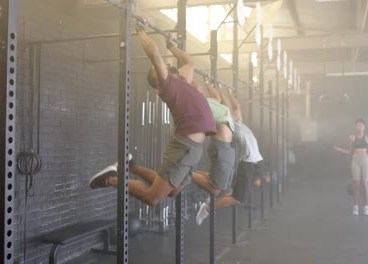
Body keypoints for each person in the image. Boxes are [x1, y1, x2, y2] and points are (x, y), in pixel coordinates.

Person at [89, 19, 216, 206]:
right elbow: (154, 53)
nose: (165, 64)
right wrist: (141, 30)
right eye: (161, 67)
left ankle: (131, 167)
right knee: (152, 197)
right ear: (158, 79)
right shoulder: (167, 87)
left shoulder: (182, 81)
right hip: (185, 146)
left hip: (194, 149)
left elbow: (189, 62)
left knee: (173, 192)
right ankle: (109, 179)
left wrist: (172, 46)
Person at [196, 88, 263, 225]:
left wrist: (230, 93)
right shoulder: (231, 123)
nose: (237, 113)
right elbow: (226, 106)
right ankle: (207, 209)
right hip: (248, 163)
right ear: (231, 116)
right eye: (234, 113)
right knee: (238, 198)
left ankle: (211, 202)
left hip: (255, 162)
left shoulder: (239, 123)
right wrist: (221, 91)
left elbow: (236, 106)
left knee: (237, 195)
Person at [190, 79, 236, 218]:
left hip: (226, 147)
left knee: (223, 185)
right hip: (221, 146)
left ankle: (188, 171)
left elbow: (217, 97)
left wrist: (207, 83)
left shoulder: (208, 101)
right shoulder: (199, 103)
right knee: (216, 188)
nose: (200, 89)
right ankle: (185, 172)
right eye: (197, 87)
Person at [333, 118, 368, 216]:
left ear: (364, 127)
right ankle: (355, 207)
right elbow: (350, 152)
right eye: (358, 125)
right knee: (357, 184)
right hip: (355, 160)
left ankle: (366, 207)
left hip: (365, 160)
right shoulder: (352, 138)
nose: (360, 127)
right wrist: (340, 150)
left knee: (365, 184)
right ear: (356, 127)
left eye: (361, 126)